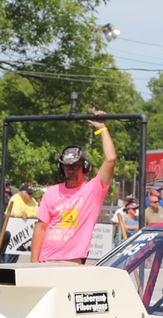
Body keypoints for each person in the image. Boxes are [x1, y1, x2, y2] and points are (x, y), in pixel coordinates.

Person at [30, 111, 116, 263]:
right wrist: (33, 262)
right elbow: (40, 228)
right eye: (67, 167)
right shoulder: (51, 192)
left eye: (76, 166)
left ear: (85, 167)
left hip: (72, 261)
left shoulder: (93, 191)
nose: (71, 171)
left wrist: (102, 129)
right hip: (46, 260)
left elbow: (111, 159)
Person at [0, 183, 39, 260]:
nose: (31, 196)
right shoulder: (15, 198)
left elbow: (38, 213)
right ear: (22, 193)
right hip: (12, 232)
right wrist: (25, 215)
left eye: (32, 194)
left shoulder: (32, 200)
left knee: (16, 256)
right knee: (8, 253)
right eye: (29, 193)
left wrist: (27, 214)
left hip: (23, 234)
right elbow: (16, 213)